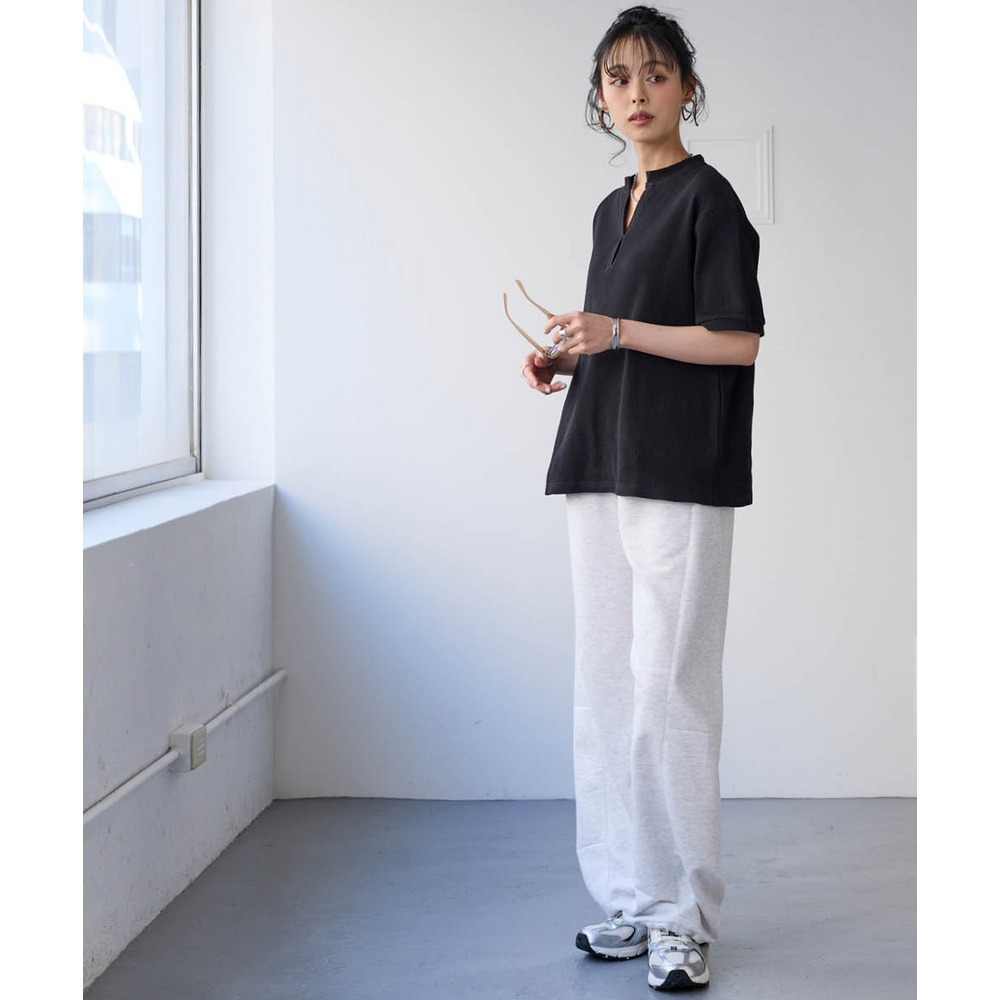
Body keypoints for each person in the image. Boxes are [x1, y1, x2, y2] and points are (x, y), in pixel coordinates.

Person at [517, 5, 765, 992]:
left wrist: (613, 331)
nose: (636, 92)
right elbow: (622, 339)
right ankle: (630, 896)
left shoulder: (711, 199)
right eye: (617, 77)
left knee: (671, 691)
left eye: (656, 74)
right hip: (600, 457)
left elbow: (735, 340)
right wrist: (569, 358)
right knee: (607, 688)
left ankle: (685, 915)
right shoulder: (608, 208)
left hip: (679, 468)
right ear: (600, 95)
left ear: (686, 90)